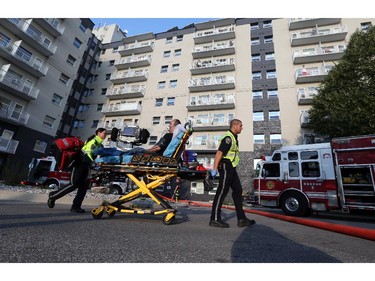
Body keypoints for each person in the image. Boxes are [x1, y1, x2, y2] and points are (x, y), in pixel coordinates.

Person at [47, 128, 107, 213]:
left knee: (83, 186)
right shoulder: (93, 141)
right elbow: (88, 153)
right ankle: (53, 196)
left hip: (86, 165)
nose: (105, 135)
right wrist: (94, 162)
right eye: (104, 133)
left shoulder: (99, 144)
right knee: (73, 184)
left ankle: (76, 206)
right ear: (98, 133)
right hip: (80, 164)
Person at [209, 119, 256, 228]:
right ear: (234, 126)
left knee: (238, 190)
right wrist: (214, 169)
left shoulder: (234, 138)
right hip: (226, 166)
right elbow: (220, 153)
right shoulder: (228, 138)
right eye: (240, 125)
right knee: (222, 192)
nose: (242, 128)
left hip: (232, 167)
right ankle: (214, 219)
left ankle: (241, 219)